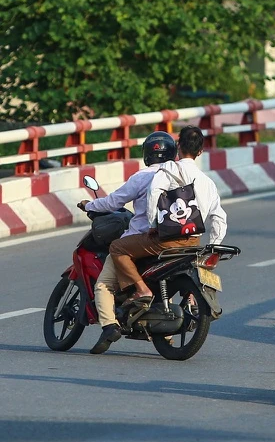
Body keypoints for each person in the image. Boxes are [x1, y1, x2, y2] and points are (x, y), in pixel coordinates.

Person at [108, 126, 227, 314]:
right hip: (194, 242)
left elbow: (153, 193)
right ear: (201, 151)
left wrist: (153, 225)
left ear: (178, 146)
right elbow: (220, 217)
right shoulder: (208, 182)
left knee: (117, 247)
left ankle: (141, 290)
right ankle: (190, 295)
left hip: (167, 239)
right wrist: (214, 245)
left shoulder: (169, 168)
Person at [83, 132, 178, 354]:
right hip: (178, 239)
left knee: (104, 283)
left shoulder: (143, 176)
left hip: (144, 239)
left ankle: (109, 326)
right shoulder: (181, 175)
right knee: (166, 279)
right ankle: (168, 333)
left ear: (147, 154)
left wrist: (89, 205)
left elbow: (113, 201)